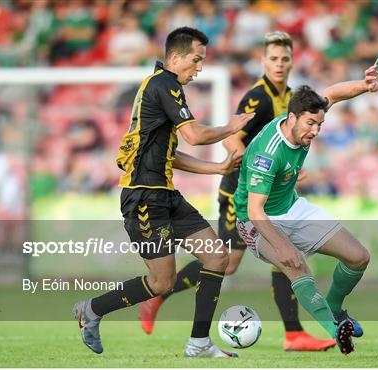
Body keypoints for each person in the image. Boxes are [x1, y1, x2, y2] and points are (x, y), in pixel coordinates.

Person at [139, 31, 336, 351]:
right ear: (263, 61)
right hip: (242, 193)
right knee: (228, 263)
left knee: (282, 256)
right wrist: (262, 173)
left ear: (291, 62)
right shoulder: (258, 98)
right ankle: (160, 295)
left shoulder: (290, 97)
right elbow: (232, 140)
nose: (279, 64)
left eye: (285, 59)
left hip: (269, 194)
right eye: (273, 59)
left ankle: (294, 333)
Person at [73, 26, 254, 358]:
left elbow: (170, 154)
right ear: (176, 57)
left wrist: (216, 168)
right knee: (161, 283)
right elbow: (196, 136)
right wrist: (230, 127)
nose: (199, 68)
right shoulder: (164, 85)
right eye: (196, 60)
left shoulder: (160, 88)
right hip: (143, 197)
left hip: (165, 193)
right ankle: (93, 309)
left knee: (217, 256)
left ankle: (199, 343)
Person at [234, 61, 378, 354]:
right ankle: (335, 330)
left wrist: (363, 87)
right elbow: (254, 211)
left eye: (319, 125)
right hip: (256, 221)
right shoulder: (268, 153)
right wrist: (283, 247)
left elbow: (332, 94)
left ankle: (336, 310)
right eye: (310, 124)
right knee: (295, 263)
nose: (315, 131)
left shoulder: (307, 111)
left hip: (292, 207)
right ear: (291, 118)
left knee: (358, 257)